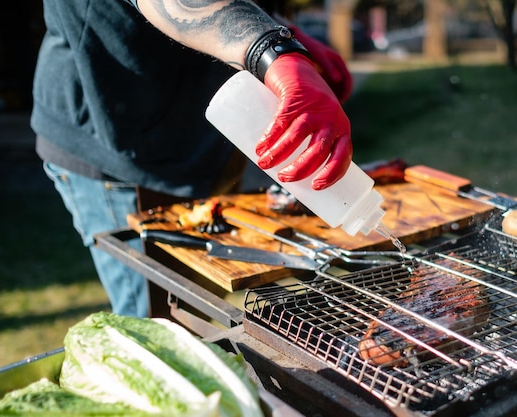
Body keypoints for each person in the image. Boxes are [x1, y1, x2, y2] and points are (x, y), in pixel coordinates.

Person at [32, 0, 354, 317]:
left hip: (200, 135)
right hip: (118, 138)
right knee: (158, 328)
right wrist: (272, 51)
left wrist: (278, 28)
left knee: (198, 309)